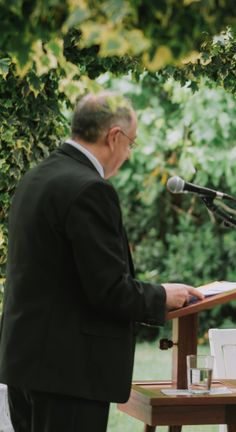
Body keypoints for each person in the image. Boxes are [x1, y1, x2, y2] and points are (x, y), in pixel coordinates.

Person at [0, 92, 204, 432]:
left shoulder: (38, 176)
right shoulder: (90, 189)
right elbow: (107, 288)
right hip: (68, 373)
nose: (127, 155)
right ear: (114, 136)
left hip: (25, 363)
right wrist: (161, 295)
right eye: (131, 145)